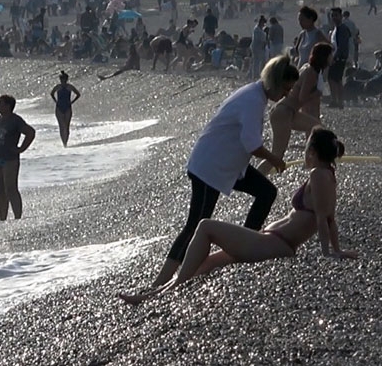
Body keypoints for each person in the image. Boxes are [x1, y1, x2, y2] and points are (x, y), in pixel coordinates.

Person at [120, 127, 357, 305]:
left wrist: (330, 252)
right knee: (206, 262)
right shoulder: (326, 175)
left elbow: (325, 218)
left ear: (313, 152)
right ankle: (156, 294)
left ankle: (159, 292)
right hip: (270, 240)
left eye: (306, 148)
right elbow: (328, 217)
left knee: (205, 226)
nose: (304, 153)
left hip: (275, 244)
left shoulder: (319, 174)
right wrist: (335, 249)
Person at [148, 55, 299, 287]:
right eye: (285, 89)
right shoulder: (252, 100)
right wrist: (275, 159)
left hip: (229, 166)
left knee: (266, 192)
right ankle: (161, 281)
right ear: (275, 83)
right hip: (210, 167)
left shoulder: (255, 94)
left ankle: (247, 245)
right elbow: (252, 144)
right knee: (196, 223)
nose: (286, 95)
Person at [257, 45, 332, 175]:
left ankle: (310, 163)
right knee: (277, 155)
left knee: (317, 127)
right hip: (283, 112)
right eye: (330, 55)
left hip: (289, 111)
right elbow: (302, 97)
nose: (332, 58)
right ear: (324, 57)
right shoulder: (312, 73)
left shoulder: (309, 69)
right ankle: (255, 178)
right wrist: (318, 93)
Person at [0, 95, 36, 221]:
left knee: (11, 188)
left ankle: (18, 217)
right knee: (0, 190)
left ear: (7, 106)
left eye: (0, 104)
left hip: (10, 159)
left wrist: (21, 148)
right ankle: (3, 218)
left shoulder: (15, 120)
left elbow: (30, 132)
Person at [328, 7, 352, 109]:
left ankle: (336, 101)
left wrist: (335, 57)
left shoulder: (342, 29)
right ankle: (338, 101)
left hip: (339, 58)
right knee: (336, 79)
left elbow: (342, 46)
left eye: (336, 15)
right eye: (332, 15)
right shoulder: (335, 29)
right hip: (337, 57)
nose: (334, 18)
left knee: (333, 79)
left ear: (341, 16)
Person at [50, 71, 81, 147]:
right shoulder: (57, 87)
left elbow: (78, 94)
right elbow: (52, 93)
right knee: (61, 126)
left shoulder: (70, 87)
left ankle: (66, 142)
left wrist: (72, 102)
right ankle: (63, 142)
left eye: (64, 79)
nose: (63, 81)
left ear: (66, 79)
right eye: (62, 80)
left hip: (67, 107)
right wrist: (55, 101)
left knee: (66, 126)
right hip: (59, 107)